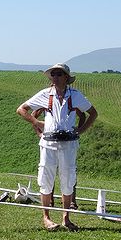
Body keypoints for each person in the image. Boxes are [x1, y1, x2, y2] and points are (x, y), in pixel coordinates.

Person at [17, 63, 97, 231]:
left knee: (68, 180)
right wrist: (36, 123)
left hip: (68, 144)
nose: (55, 77)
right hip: (48, 143)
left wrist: (80, 130)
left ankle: (66, 218)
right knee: (45, 179)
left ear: (66, 77)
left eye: (59, 74)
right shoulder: (45, 95)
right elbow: (22, 109)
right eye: (53, 74)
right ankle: (46, 218)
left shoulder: (75, 95)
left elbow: (93, 113)